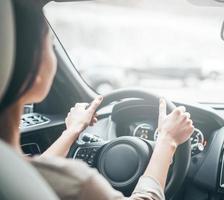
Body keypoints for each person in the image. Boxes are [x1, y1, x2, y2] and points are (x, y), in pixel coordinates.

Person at [0, 0, 195, 199]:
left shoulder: (12, 174)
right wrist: (166, 141)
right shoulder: (78, 185)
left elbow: (32, 174)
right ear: (33, 66)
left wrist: (72, 131)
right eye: (50, 44)